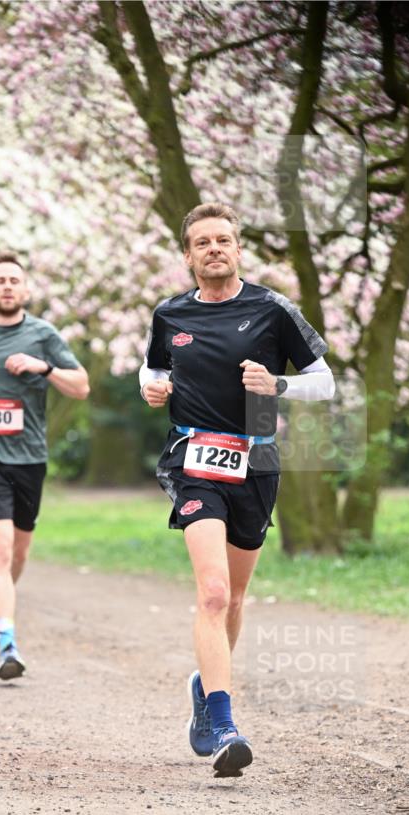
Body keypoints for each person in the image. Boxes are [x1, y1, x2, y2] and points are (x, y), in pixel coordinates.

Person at [140, 202, 335, 778]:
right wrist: (153, 390)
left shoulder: (272, 309)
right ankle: (223, 723)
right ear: (188, 255)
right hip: (193, 460)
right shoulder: (170, 315)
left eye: (223, 239)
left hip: (257, 463)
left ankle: (205, 686)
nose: (214, 249)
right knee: (214, 591)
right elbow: (151, 371)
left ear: (238, 248)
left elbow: (324, 383)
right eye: (203, 242)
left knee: (237, 598)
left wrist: (276, 384)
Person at [0, 251, 89, 680]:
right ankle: (7, 644)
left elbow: (81, 386)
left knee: (19, 553)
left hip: (29, 458)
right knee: (1, 547)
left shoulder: (43, 334)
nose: (7, 286)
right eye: (0, 281)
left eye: (15, 280)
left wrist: (43, 367)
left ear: (25, 291)